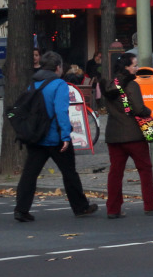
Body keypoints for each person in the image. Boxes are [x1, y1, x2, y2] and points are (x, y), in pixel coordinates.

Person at [13, 50, 98, 223]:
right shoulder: (59, 84)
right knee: (69, 173)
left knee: (30, 173)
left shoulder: (34, 83)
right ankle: (80, 207)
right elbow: (61, 111)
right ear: (58, 67)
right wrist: (66, 136)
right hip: (55, 137)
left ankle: (21, 209)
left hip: (36, 136)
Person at [102, 53, 153, 219]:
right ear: (126, 68)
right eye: (134, 65)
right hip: (133, 134)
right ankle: (150, 204)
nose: (137, 68)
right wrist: (148, 111)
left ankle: (113, 209)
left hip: (114, 135)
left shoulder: (109, 84)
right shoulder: (132, 85)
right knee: (144, 169)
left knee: (115, 172)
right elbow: (137, 108)